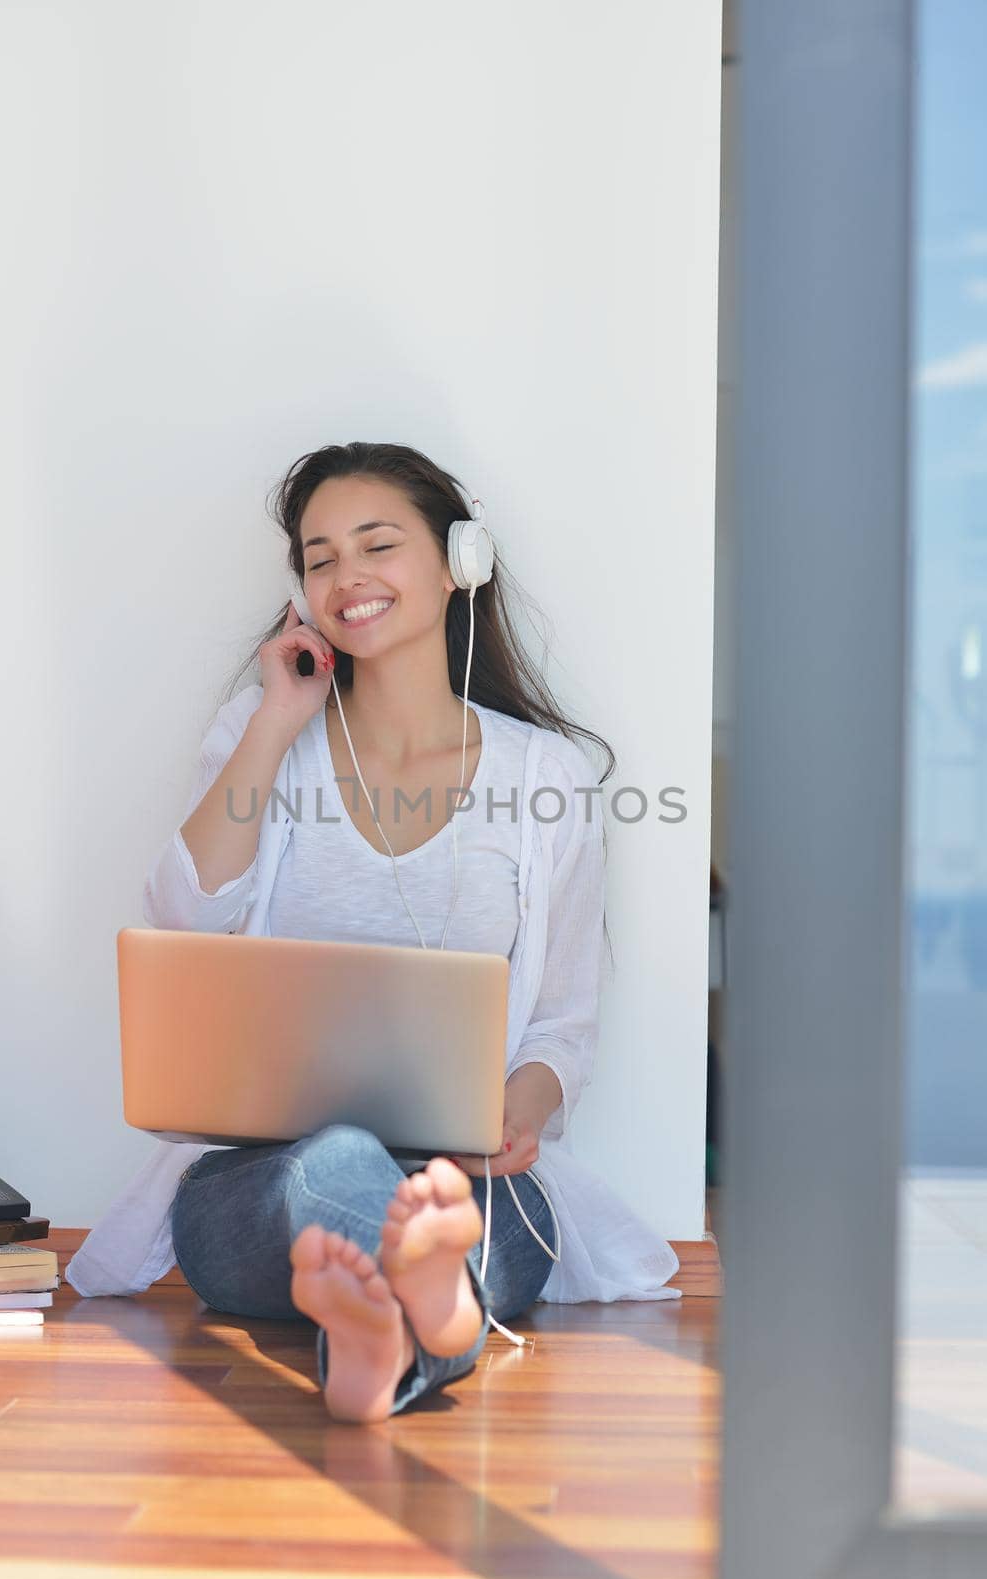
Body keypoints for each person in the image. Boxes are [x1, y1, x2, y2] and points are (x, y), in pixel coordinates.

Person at [65, 441, 683, 1422]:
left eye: (376, 544)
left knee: (481, 1214)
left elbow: (560, 1032)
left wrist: (516, 1116)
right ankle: (426, 1310)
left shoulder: (546, 778)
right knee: (336, 1170)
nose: (346, 576)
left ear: (457, 562)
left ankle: (388, 1344)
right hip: (264, 1180)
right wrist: (279, 716)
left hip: (463, 1176)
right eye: (320, 558)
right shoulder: (259, 732)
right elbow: (187, 915)